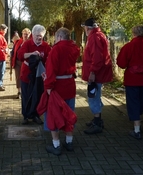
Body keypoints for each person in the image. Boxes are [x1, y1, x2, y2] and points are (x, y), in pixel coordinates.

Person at [42, 27, 80, 156]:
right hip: (70, 84)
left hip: (57, 87)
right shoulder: (75, 48)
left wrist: (48, 86)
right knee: (69, 113)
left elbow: (51, 70)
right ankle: (69, 142)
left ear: (58, 37)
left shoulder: (56, 49)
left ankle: (56, 144)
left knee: (54, 115)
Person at [81, 18, 113, 134]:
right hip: (99, 73)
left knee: (93, 96)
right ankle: (97, 119)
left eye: (84, 27)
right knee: (96, 95)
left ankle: (97, 122)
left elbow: (97, 57)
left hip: (96, 74)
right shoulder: (99, 35)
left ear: (88, 27)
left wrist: (93, 72)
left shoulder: (94, 37)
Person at [17, 24, 51, 125]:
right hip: (27, 75)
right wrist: (32, 54)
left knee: (38, 96)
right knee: (26, 96)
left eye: (41, 36)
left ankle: (36, 115)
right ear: (33, 35)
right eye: (37, 36)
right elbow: (20, 55)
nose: (39, 38)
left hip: (39, 76)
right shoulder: (27, 44)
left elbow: (50, 59)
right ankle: (25, 116)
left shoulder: (45, 46)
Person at [11, 28, 31, 99]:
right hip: (17, 62)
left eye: (27, 34)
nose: (25, 35)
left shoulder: (31, 42)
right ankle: (19, 91)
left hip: (25, 63)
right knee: (18, 77)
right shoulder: (18, 42)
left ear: (30, 34)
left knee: (24, 76)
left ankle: (25, 91)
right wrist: (12, 61)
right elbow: (13, 51)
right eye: (24, 34)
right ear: (22, 34)